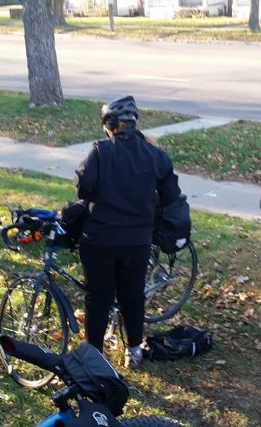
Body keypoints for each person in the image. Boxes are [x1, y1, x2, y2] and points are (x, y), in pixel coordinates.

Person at [74, 95, 181, 369]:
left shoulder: (101, 150)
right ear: (132, 124)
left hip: (100, 238)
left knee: (99, 297)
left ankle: (94, 357)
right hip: (137, 240)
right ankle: (133, 351)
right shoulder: (155, 155)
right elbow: (171, 194)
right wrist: (148, 206)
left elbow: (83, 186)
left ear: (110, 126)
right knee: (132, 295)